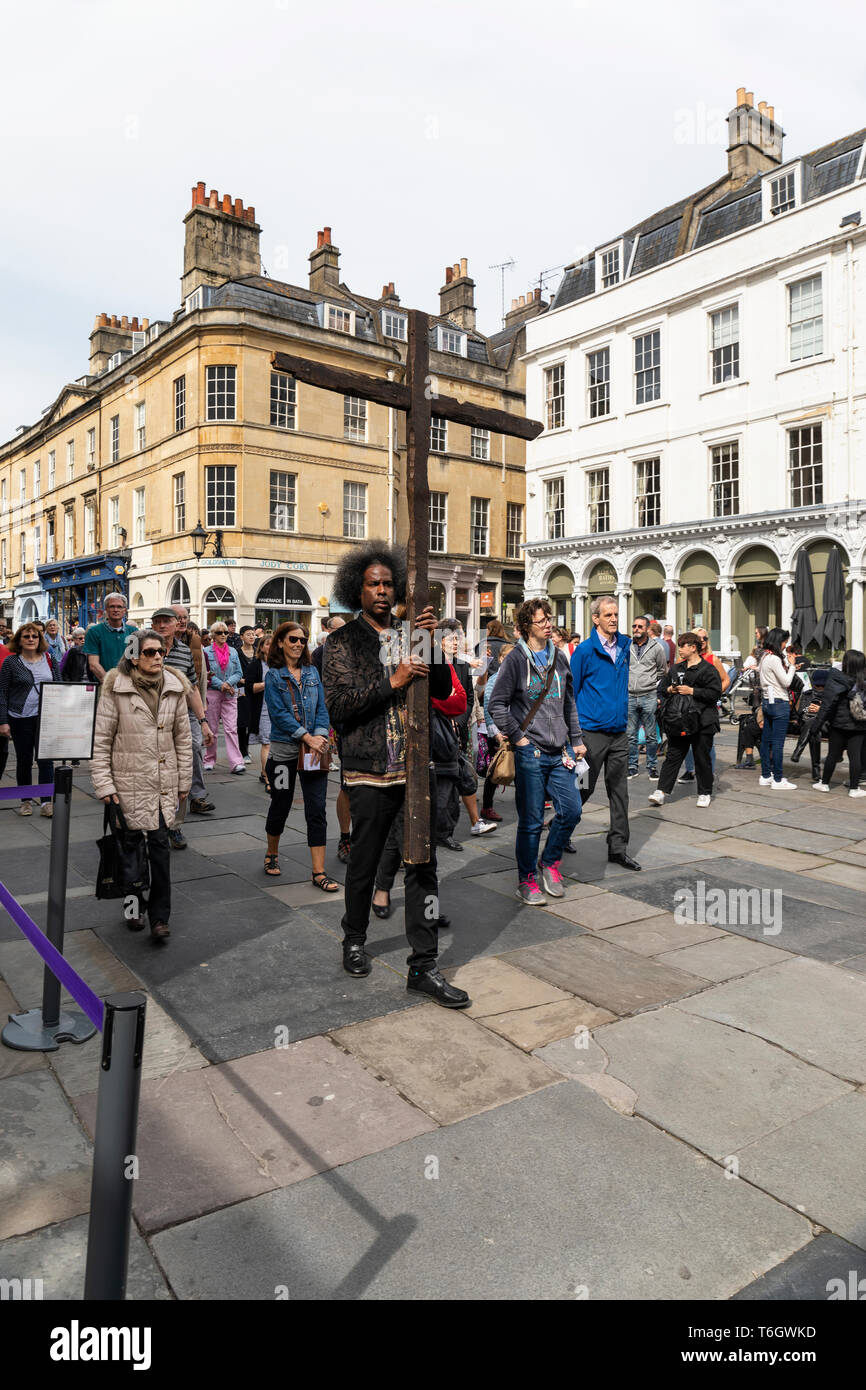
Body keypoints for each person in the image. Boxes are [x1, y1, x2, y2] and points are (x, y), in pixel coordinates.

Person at [322, 541, 470, 1008]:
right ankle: (353, 938)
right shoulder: (342, 642)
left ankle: (423, 965)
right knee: (364, 863)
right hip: (369, 772)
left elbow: (446, 690)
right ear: (357, 589)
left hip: (417, 771)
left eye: (388, 583)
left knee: (423, 865)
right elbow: (340, 707)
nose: (382, 591)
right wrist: (394, 678)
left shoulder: (414, 634)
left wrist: (431, 646)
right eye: (373, 584)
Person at [91, 630, 191, 942]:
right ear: (134, 657)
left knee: (160, 851)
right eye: (149, 652)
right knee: (130, 853)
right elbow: (102, 740)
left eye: (160, 651)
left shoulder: (174, 687)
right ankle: (134, 909)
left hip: (163, 783)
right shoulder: (115, 688)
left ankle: (160, 917)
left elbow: (183, 740)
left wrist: (184, 781)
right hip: (128, 782)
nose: (158, 656)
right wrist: (104, 784)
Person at [489, 599, 585, 905]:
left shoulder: (559, 657)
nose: (548, 624)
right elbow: (496, 704)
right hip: (531, 753)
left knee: (572, 811)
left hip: (560, 752)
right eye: (541, 621)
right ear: (526, 627)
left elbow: (568, 701)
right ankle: (526, 879)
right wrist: (520, 739)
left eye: (549, 619)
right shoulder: (516, 659)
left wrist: (577, 738)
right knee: (530, 821)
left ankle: (550, 862)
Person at [263, 622, 337, 889]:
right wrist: (307, 738)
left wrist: (319, 737)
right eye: (292, 639)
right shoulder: (273, 676)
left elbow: (321, 709)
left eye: (303, 640)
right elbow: (278, 715)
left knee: (316, 809)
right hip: (284, 753)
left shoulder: (312, 673)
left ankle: (318, 872)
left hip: (313, 754)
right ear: (280, 642)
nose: (298, 644)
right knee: (281, 804)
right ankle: (272, 853)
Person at [570, 595, 640, 870]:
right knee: (582, 789)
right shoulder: (585, 651)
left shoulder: (625, 644)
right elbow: (571, 693)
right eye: (608, 615)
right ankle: (560, 829)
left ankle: (618, 848)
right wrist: (573, 736)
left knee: (620, 792)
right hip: (591, 734)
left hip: (619, 733)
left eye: (615, 615)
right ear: (595, 618)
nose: (613, 619)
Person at [150, 608, 215, 846]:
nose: (161, 626)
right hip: (148, 720)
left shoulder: (185, 651)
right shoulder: (138, 645)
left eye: (166, 622)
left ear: (176, 624)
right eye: (156, 622)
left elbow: (192, 689)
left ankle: (175, 825)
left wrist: (203, 721)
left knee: (182, 772)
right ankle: (152, 824)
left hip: (178, 720)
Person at [431, 619, 497, 850]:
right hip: (436, 730)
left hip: (457, 730)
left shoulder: (461, 665)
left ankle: (448, 831)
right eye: (451, 638)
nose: (456, 642)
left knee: (456, 781)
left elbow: (468, 697)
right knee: (439, 785)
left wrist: (458, 721)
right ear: (440, 641)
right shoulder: (432, 663)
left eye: (458, 638)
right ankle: (436, 830)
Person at [649, 632, 722, 807]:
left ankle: (704, 792)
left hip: (703, 721)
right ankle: (661, 791)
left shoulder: (708, 669)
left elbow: (715, 693)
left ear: (693, 647)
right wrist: (670, 691)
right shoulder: (676, 669)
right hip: (679, 720)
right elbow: (662, 688)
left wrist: (693, 691)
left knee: (701, 757)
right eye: (679, 646)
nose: (679, 649)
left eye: (683, 646)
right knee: (673, 755)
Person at [0, 622, 60, 816]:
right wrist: (3, 721)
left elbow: (60, 688)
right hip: (20, 717)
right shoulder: (11, 662)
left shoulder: (50, 659)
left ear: (40, 639)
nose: (31, 639)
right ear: (19, 640)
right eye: (26, 636)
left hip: (46, 717)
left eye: (34, 636)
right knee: (24, 760)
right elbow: (2, 693)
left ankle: (45, 803)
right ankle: (25, 800)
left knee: (46, 762)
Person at [809, 649, 866, 796]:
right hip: (859, 725)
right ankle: (854, 789)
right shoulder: (863, 681)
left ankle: (825, 783)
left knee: (832, 755)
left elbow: (827, 704)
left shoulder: (836, 678)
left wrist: (816, 726)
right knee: (855, 757)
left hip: (838, 724)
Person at [678, 627, 729, 783]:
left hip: (705, 705)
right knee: (686, 737)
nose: (702, 641)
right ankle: (690, 770)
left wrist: (715, 693)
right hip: (687, 705)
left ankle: (709, 772)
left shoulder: (712, 659)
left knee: (707, 741)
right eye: (698, 638)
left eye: (705, 638)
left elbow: (726, 679)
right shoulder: (683, 659)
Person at [627, 616, 668, 780]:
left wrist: (650, 682)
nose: (636, 628)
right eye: (634, 625)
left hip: (648, 695)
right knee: (630, 734)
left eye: (640, 626)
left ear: (647, 628)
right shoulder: (626, 646)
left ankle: (652, 766)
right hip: (630, 695)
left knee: (651, 735)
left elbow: (662, 670)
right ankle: (632, 766)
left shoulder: (657, 648)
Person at [756, 627, 797, 790]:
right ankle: (778, 779)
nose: (785, 644)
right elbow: (786, 682)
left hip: (767, 702)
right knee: (778, 743)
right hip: (779, 702)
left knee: (766, 740)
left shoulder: (765, 656)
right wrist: (792, 666)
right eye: (784, 641)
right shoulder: (774, 659)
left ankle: (766, 775)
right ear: (778, 641)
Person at [203, 622, 246, 773]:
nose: (223, 635)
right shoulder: (206, 652)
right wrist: (220, 684)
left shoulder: (233, 652)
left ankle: (236, 762)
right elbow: (205, 674)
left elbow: (239, 673)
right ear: (213, 635)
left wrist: (227, 684)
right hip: (213, 693)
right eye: (220, 632)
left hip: (230, 693)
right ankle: (209, 759)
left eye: (226, 632)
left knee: (231, 728)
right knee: (212, 728)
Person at [83, 593, 138, 684]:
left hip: (129, 684)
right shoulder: (94, 632)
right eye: (112, 606)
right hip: (105, 685)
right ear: (106, 609)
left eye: (119, 607)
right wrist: (111, 683)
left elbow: (134, 661)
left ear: (124, 610)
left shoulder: (133, 632)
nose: (116, 610)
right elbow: (93, 665)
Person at [244, 634, 273, 789]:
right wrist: (267, 683)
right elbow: (250, 687)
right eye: (267, 644)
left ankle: (263, 772)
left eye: (273, 644)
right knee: (267, 743)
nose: (271, 646)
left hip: (279, 709)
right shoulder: (255, 665)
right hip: (262, 709)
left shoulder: (281, 664)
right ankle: (269, 778)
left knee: (277, 743)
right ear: (261, 647)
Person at [236, 625, 257, 762]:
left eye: (253, 634)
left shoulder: (258, 652)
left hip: (255, 690)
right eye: (248, 634)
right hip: (241, 690)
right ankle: (242, 751)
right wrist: (241, 679)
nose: (251, 637)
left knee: (252, 721)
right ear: (241, 636)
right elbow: (232, 670)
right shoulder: (236, 652)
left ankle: (246, 749)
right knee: (242, 721)